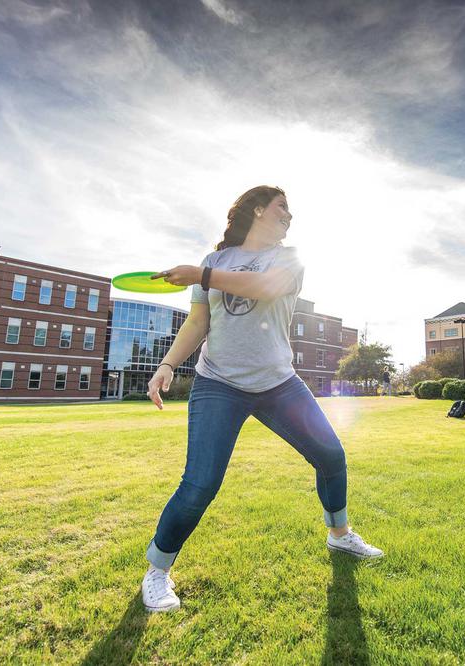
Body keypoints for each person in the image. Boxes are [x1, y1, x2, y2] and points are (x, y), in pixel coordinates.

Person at [140, 186, 383, 613]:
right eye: (282, 207)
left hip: (278, 383)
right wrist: (167, 364)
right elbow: (199, 322)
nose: (290, 215)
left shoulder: (287, 259)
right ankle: (158, 571)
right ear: (257, 209)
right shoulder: (214, 261)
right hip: (218, 383)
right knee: (200, 484)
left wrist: (201, 276)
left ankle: (340, 535)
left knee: (330, 456)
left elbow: (267, 288)